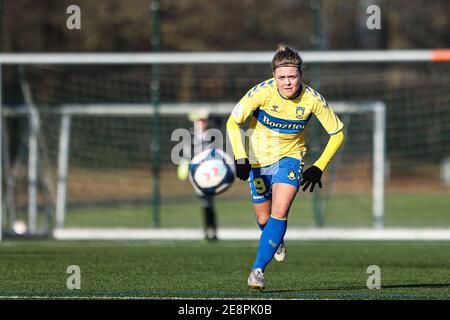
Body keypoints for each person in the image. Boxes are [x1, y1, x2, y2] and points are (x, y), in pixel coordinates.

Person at [226, 44, 345, 290]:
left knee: (280, 211)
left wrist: (319, 166)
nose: (287, 83)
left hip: (290, 158)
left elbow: (338, 133)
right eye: (282, 78)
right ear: (274, 77)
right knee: (264, 218)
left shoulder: (312, 99)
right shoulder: (261, 93)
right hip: (258, 160)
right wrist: (240, 157)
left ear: (301, 75)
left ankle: (257, 271)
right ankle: (275, 238)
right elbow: (232, 121)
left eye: (292, 77)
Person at [178, 109, 219, 241]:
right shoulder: (190, 136)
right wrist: (185, 165)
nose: (203, 123)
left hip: (211, 171)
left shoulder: (212, 134)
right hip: (198, 172)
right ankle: (209, 231)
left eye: (204, 120)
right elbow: (186, 154)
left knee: (208, 201)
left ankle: (211, 231)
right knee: (206, 201)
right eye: (200, 120)